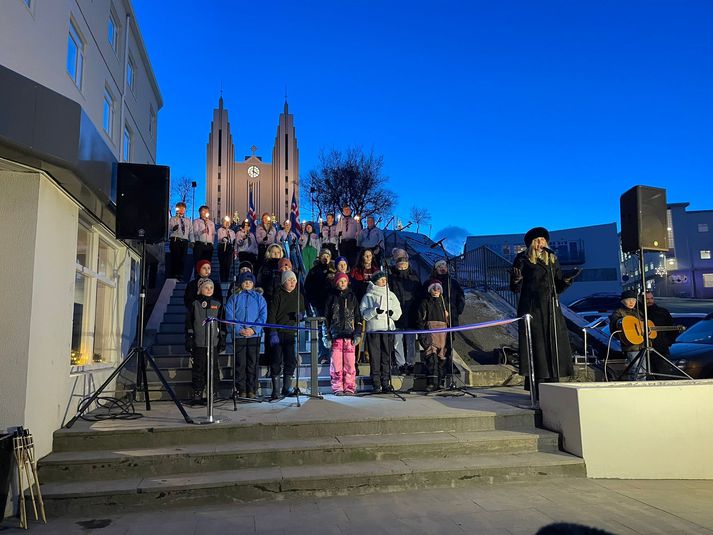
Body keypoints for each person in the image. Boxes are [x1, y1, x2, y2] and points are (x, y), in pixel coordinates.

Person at [510, 227, 573, 390]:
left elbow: (557, 286)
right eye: (537, 240)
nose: (541, 243)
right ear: (532, 243)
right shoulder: (523, 259)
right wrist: (517, 280)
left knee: (553, 343)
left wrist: (565, 281)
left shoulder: (552, 259)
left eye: (543, 240)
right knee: (537, 345)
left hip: (550, 308)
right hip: (532, 308)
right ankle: (538, 385)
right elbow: (514, 287)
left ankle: (554, 383)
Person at [224, 272, 267, 399]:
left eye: (250, 281)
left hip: (254, 336)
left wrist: (254, 329)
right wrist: (238, 329)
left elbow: (263, 315)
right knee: (240, 363)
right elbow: (229, 315)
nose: (247, 283)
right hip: (239, 336)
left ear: (253, 284)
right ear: (240, 283)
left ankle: (252, 389)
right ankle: (241, 389)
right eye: (245, 281)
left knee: (252, 363)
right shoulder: (234, 298)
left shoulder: (259, 298)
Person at [185, 277, 226, 405]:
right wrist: (190, 338)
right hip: (199, 343)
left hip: (213, 343)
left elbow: (222, 324)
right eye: (206, 288)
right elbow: (189, 323)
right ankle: (198, 392)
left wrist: (222, 339)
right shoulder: (195, 304)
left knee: (213, 369)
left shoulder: (217, 304)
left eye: (211, 288)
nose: (209, 290)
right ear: (200, 289)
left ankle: (212, 392)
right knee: (199, 368)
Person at [360, 271, 402, 393]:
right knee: (375, 357)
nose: (384, 281)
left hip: (388, 329)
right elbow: (363, 314)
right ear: (376, 281)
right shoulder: (369, 296)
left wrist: (392, 314)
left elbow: (398, 312)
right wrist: (374, 311)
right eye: (381, 279)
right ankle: (376, 383)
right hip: (374, 329)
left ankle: (386, 382)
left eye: (385, 279)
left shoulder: (391, 295)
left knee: (386, 356)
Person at [323, 273, 363, 395]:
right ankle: (337, 387)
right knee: (336, 363)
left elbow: (357, 317)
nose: (342, 283)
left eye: (344, 281)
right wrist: (327, 336)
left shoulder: (352, 297)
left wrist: (357, 333)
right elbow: (326, 318)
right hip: (336, 335)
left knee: (350, 363)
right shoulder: (331, 297)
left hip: (350, 336)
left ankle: (350, 386)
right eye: (340, 281)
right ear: (336, 283)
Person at [267, 270, 304, 399]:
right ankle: (275, 390)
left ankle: (286, 387)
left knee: (290, 361)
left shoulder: (298, 296)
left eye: (294, 280)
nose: (292, 282)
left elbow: (302, 311)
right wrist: (272, 333)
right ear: (284, 282)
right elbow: (271, 315)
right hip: (277, 332)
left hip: (290, 332)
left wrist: (300, 316)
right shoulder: (277, 295)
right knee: (276, 360)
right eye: (289, 280)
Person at [427, 259, 466, 370]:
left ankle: (448, 363)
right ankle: (437, 365)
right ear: (436, 269)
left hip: (451, 317)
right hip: (436, 319)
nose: (443, 268)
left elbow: (461, 297)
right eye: (440, 266)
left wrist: (457, 310)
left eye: (444, 266)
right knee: (437, 342)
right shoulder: (431, 282)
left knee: (449, 341)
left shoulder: (452, 282)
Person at [389, 252, 422, 375]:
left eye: (404, 265)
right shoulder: (392, 278)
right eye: (400, 265)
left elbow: (419, 295)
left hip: (411, 312)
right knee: (397, 340)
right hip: (397, 313)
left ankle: (411, 363)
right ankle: (401, 363)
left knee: (410, 341)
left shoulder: (414, 278)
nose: (402, 268)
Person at [304, 247, 336, 363]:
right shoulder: (313, 271)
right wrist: (313, 303)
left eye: (327, 256)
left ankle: (332, 353)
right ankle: (323, 353)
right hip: (319, 304)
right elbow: (308, 288)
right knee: (321, 329)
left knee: (332, 329)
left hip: (332, 305)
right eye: (323, 255)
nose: (325, 258)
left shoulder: (333, 270)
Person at [416, 280, 449, 391]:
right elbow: (420, 320)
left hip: (443, 335)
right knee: (431, 360)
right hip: (430, 334)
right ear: (430, 290)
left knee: (442, 360)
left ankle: (440, 382)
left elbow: (449, 321)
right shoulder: (425, 303)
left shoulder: (444, 303)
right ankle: (432, 383)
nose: (436, 291)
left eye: (438, 289)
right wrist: (422, 336)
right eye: (434, 289)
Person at [609, 290, 645, 379]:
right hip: (631, 346)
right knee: (636, 370)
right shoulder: (618, 312)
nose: (632, 302)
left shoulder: (638, 312)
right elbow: (615, 328)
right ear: (622, 301)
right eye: (628, 300)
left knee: (644, 370)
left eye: (634, 300)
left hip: (643, 345)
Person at [167, 201, 193, 280]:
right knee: (175, 257)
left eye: (183, 208)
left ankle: (180, 274)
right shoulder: (172, 219)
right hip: (175, 239)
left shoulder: (188, 220)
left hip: (184, 241)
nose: (181, 210)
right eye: (180, 208)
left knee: (183, 258)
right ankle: (174, 274)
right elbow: (168, 230)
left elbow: (191, 232)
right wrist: (173, 229)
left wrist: (192, 241)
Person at [217, 217, 236, 282]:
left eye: (228, 222)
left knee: (228, 264)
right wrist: (224, 239)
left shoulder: (232, 232)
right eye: (225, 221)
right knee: (222, 264)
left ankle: (227, 278)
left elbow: (233, 240)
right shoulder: (220, 230)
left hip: (229, 248)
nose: (227, 223)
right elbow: (220, 238)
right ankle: (222, 279)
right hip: (222, 247)